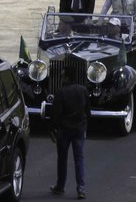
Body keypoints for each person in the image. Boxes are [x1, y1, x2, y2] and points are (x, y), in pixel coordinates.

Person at [50, 65, 91, 200]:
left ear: (67, 76)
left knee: (62, 159)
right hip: (79, 129)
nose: (61, 78)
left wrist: (53, 129)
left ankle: (60, 186)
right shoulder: (83, 90)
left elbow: (55, 114)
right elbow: (88, 111)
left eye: (62, 75)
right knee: (79, 158)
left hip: (65, 130)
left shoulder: (61, 92)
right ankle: (81, 188)